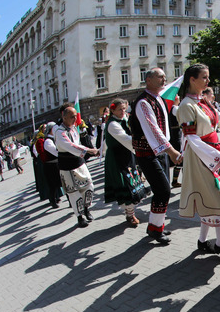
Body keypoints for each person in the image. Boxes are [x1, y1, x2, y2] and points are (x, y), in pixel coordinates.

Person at [177, 63, 220, 258]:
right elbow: (192, 138)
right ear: (192, 79)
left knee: (212, 200)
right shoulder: (186, 106)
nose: (208, 81)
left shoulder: (202, 101)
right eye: (204, 77)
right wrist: (218, 157)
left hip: (211, 154)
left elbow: (219, 120)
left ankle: (202, 241)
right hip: (202, 158)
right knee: (218, 198)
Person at [129, 69, 186, 241]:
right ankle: (155, 228)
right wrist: (172, 150)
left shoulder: (158, 99)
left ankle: (156, 227)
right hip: (147, 153)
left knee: (163, 190)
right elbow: (153, 130)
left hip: (158, 152)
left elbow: (164, 128)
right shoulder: (143, 102)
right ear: (148, 80)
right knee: (163, 190)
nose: (164, 79)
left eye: (164, 76)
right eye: (160, 76)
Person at [54, 103, 100, 228]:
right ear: (64, 117)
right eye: (71, 117)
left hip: (78, 162)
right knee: (73, 192)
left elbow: (77, 143)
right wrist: (89, 150)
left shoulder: (74, 128)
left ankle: (86, 208)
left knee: (89, 185)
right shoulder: (59, 131)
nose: (75, 119)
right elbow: (70, 146)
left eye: (75, 116)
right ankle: (79, 217)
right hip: (67, 165)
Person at [102, 98, 145, 227]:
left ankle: (129, 213)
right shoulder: (112, 124)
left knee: (132, 183)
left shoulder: (123, 119)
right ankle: (130, 215)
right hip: (117, 158)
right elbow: (126, 139)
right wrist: (142, 143)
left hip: (127, 155)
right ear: (113, 110)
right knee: (126, 185)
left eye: (124, 109)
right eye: (120, 109)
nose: (123, 112)